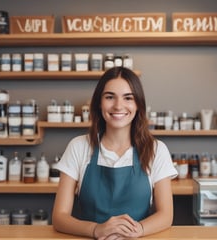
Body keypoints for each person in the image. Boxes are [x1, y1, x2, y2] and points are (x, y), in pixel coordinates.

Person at [52, 66, 178, 239]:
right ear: (99, 102)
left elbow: (165, 215)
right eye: (110, 97)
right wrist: (96, 230)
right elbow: (59, 217)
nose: (118, 106)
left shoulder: (156, 150)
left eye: (128, 98)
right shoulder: (78, 147)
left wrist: (136, 230)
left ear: (138, 104)